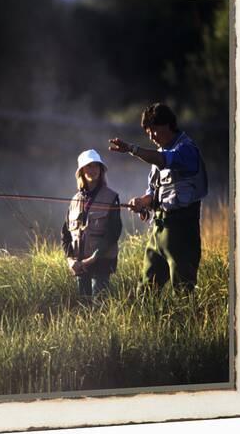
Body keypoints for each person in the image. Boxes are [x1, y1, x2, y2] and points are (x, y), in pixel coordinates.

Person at [109, 103, 208, 292]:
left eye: (154, 130)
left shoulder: (186, 150)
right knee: (146, 289)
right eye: (148, 131)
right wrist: (141, 202)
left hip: (182, 230)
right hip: (158, 230)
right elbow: (153, 194)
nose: (151, 136)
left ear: (169, 125)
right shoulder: (158, 155)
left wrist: (131, 148)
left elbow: (165, 161)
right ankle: (148, 321)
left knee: (183, 291)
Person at [61, 149, 122, 301]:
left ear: (101, 170)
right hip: (79, 265)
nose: (93, 170)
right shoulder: (74, 200)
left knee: (99, 308)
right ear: (81, 171)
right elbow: (65, 234)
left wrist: (92, 259)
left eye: (96, 166)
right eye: (89, 166)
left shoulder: (111, 197)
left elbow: (113, 233)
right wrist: (70, 260)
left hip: (101, 264)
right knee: (83, 308)